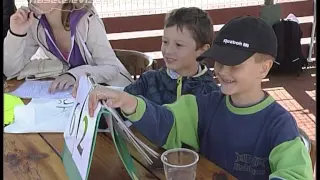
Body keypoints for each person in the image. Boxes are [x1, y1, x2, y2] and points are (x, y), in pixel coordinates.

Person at [87, 16, 313, 179]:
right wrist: (127, 101)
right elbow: (167, 123)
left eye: (234, 64)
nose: (223, 71)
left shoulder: (279, 124)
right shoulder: (205, 104)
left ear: (264, 69)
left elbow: (294, 174)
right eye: (220, 61)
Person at [3, 1, 133, 93]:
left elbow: (111, 68)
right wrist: (16, 33)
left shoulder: (87, 19)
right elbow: (11, 71)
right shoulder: (34, 22)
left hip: (115, 96)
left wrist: (74, 75)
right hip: (73, 98)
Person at [112, 7, 219, 105]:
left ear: (202, 50)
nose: (168, 50)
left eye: (179, 45)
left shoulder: (211, 93)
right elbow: (117, 110)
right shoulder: (148, 81)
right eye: (165, 42)